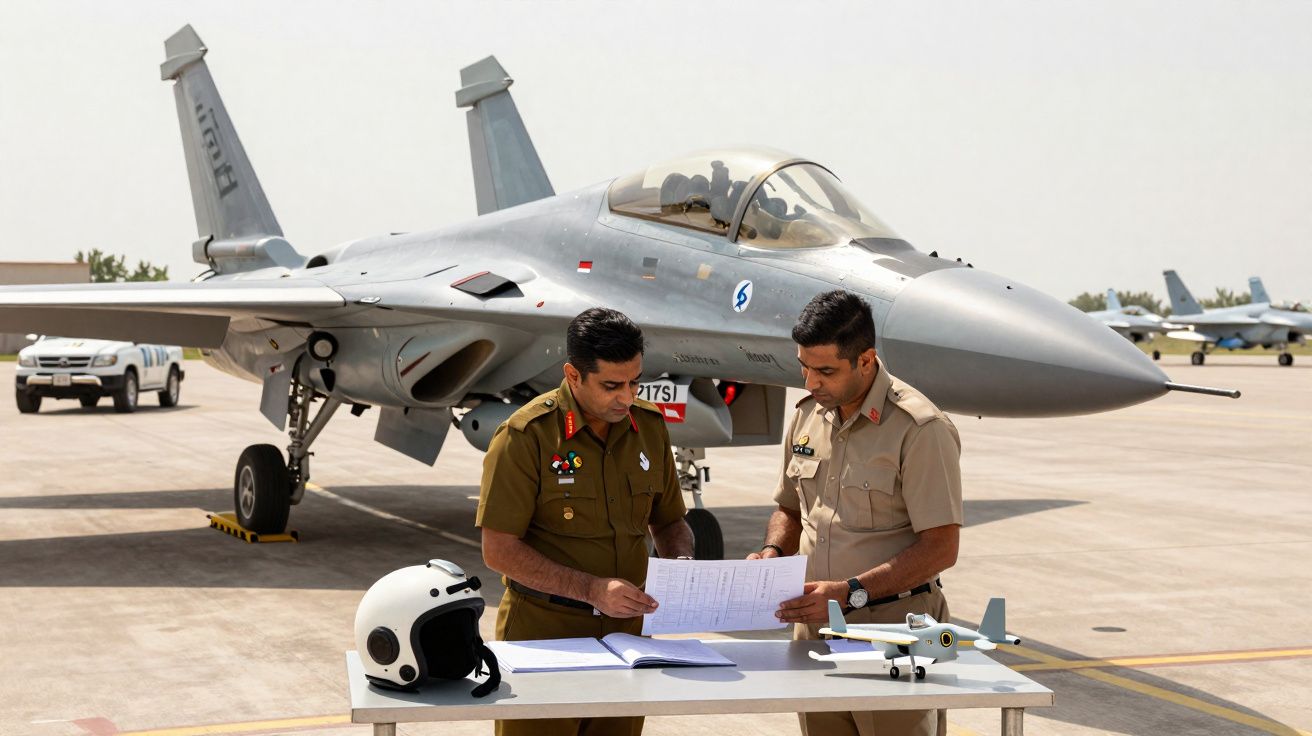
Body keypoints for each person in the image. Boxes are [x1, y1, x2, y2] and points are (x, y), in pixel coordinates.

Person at [749, 290, 963, 736]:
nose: (811, 383)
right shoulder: (807, 415)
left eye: (826, 371)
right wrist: (772, 552)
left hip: (894, 632)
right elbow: (790, 507)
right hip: (815, 631)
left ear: (866, 361)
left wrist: (851, 593)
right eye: (804, 367)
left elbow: (941, 548)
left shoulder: (920, 429)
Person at [478, 307, 695, 736]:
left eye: (634, 382)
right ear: (573, 375)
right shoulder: (526, 436)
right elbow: (498, 550)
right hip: (545, 636)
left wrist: (680, 566)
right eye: (611, 386)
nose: (626, 398)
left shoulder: (649, 426)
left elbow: (670, 521)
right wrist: (591, 590)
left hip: (629, 639)